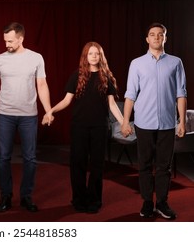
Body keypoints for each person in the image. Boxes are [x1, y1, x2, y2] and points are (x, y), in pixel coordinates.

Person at [0, 22, 51, 212]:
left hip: (29, 116)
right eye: (5, 41)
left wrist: (48, 110)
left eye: (10, 41)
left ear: (21, 39)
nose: (7, 44)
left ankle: (26, 196)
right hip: (5, 115)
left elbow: (42, 85)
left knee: (30, 159)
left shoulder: (36, 58)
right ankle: (6, 196)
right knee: (3, 158)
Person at [42, 41, 123, 213]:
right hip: (79, 127)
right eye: (91, 53)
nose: (94, 56)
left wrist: (123, 122)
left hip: (100, 128)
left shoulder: (106, 77)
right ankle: (78, 199)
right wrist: (50, 111)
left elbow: (112, 105)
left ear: (101, 56)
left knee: (97, 165)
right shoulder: (77, 76)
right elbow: (66, 100)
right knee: (77, 163)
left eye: (97, 53)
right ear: (85, 57)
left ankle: (94, 200)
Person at [121, 22, 187, 220]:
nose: (156, 37)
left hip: (168, 122)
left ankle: (162, 203)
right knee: (144, 165)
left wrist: (181, 121)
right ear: (147, 39)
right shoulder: (137, 64)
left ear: (165, 38)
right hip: (143, 122)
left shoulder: (176, 62)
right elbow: (130, 94)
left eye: (160, 34)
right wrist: (125, 121)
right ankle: (147, 202)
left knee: (164, 166)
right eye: (152, 34)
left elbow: (181, 94)